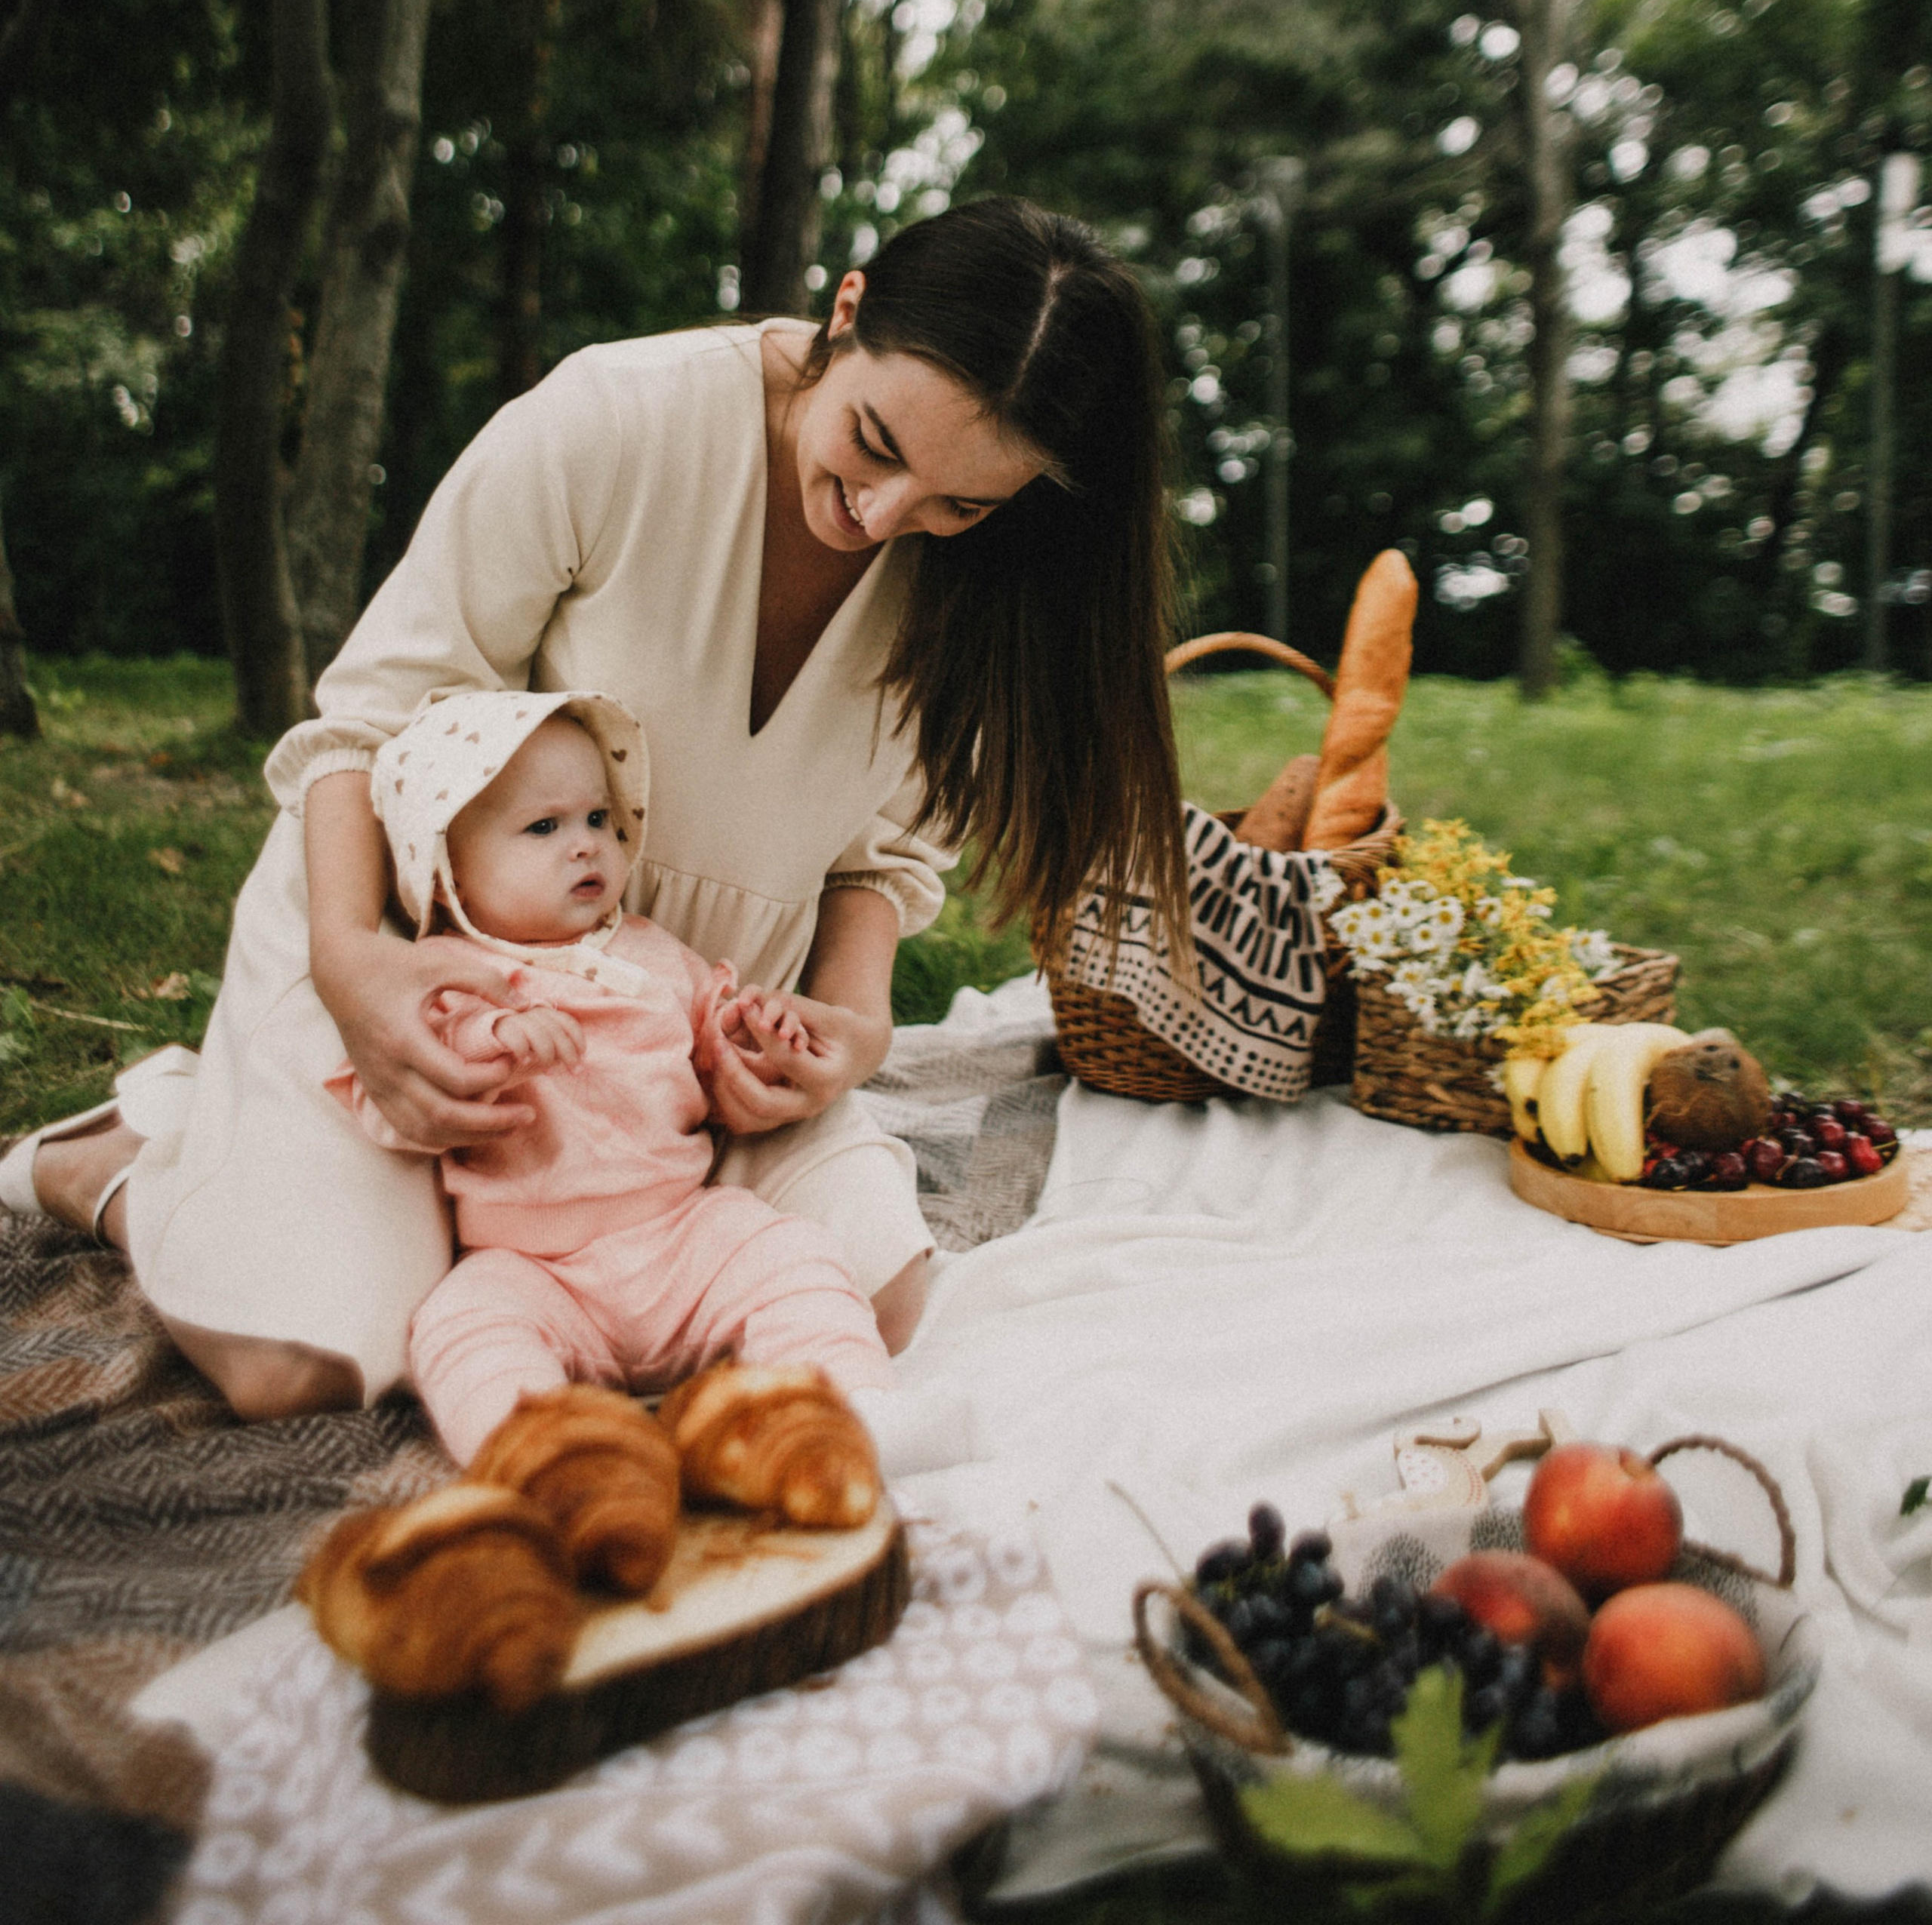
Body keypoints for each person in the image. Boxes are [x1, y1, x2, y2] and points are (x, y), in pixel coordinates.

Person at [7, 195, 1188, 1421]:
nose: (885, 518)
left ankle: (310, 1179)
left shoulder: (995, 587)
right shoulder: (616, 418)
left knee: (871, 1305)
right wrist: (356, 971)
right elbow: (362, 726)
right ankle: (128, 1157)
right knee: (301, 1367)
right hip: (434, 983)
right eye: (875, 443)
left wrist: (850, 1026)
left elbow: (883, 859)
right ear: (846, 311)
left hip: (678, 1054)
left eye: (960, 503)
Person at [334, 690, 891, 1468]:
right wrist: (494, 1041)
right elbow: (393, 1103)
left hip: (680, 1234)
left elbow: (707, 1041)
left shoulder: (651, 951)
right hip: (533, 1267)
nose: (585, 846)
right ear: (443, 874)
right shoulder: (448, 978)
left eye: (598, 819)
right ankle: (549, 1464)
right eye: (543, 827)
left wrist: (751, 1034)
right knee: (460, 1328)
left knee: (793, 1257)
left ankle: (849, 1419)